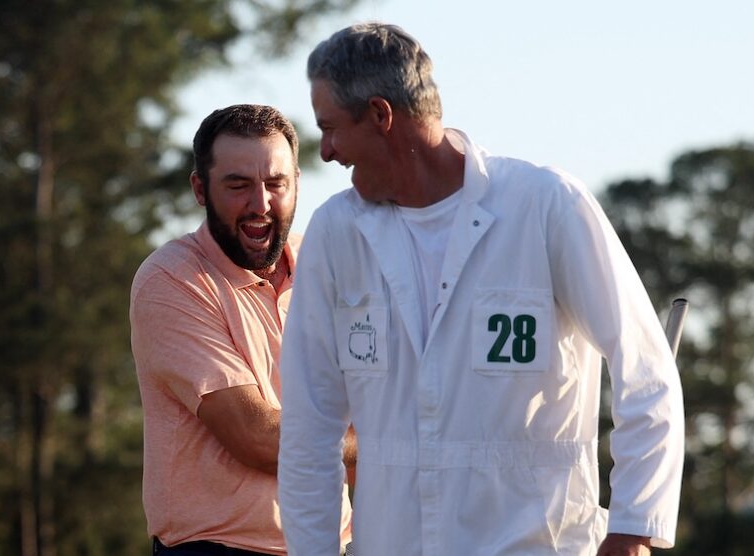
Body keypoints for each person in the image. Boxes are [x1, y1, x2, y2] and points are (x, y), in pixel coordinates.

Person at [277, 23, 684, 556]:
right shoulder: (335, 232)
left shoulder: (546, 206)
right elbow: (309, 429)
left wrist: (632, 528)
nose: (326, 152)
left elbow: (648, 371)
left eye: (331, 128)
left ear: (381, 115)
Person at [130, 104, 354, 556]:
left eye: (276, 184)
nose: (261, 204)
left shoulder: (326, 266)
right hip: (216, 548)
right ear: (200, 189)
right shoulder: (170, 280)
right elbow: (256, 437)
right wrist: (392, 440)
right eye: (238, 185)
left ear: (296, 184)